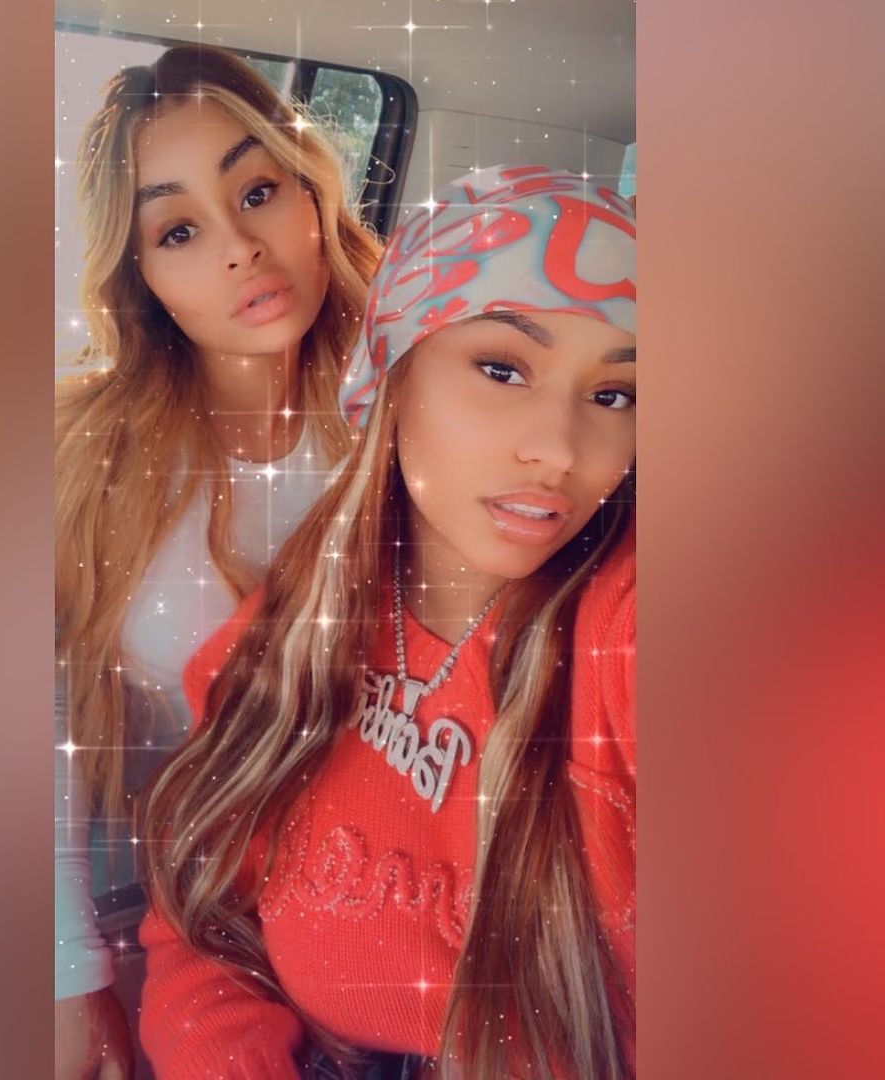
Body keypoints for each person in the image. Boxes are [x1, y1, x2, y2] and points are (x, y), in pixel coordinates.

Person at [137, 165, 638, 1079]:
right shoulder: (283, 632)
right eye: (502, 369)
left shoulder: (620, 625)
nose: (560, 450)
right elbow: (201, 923)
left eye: (614, 396)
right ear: (394, 375)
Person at [54, 44, 382, 1079]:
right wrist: (68, 974)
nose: (241, 246)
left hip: (388, 921)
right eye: (181, 230)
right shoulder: (81, 458)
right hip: (177, 927)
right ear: (141, 276)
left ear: (311, 194)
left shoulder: (414, 410)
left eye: (258, 191)